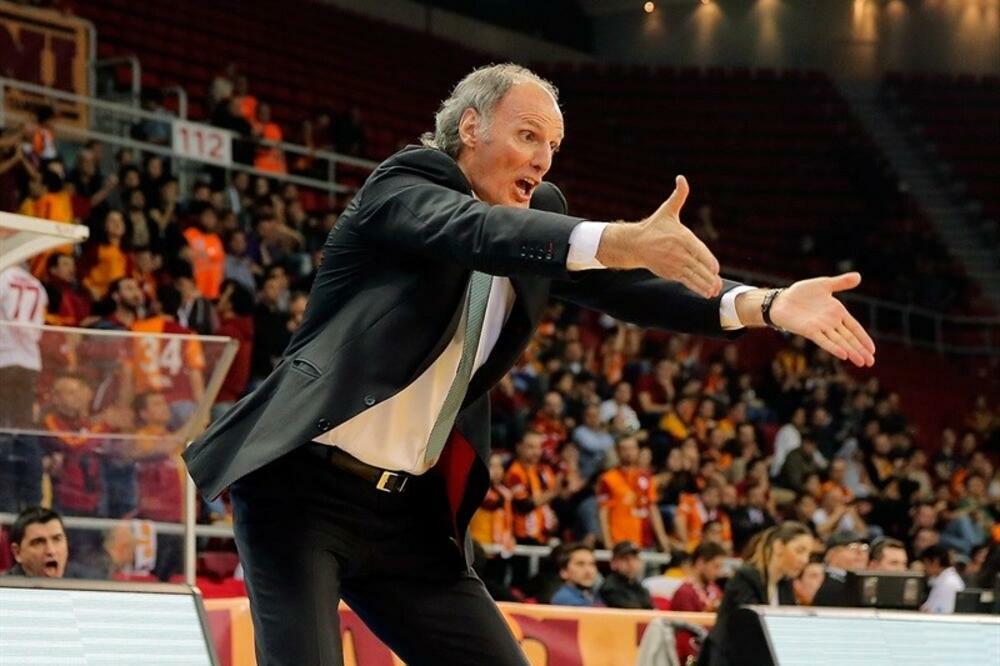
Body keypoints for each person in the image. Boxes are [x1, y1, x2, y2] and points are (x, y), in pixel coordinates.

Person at [182, 64, 875, 666]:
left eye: (553, 147)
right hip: (302, 490)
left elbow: (632, 289)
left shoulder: (538, 220)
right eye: (528, 136)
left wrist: (767, 305)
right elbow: (476, 232)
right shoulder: (405, 183)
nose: (544, 160)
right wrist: (620, 238)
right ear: (472, 127)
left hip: (405, 517)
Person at [700, 522, 812, 666]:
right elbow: (748, 630)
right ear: (779, 546)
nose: (805, 560)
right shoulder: (745, 577)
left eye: (808, 554)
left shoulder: (785, 585)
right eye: (799, 551)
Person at [0, 261, 47, 512]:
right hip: (29, 360)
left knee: (4, 429)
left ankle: (6, 499)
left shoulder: (2, 278)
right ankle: (33, 498)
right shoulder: (38, 286)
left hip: (4, 358)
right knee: (23, 427)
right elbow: (38, 329)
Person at [597, 436, 670, 551]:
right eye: (624, 449)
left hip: (645, 541)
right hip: (620, 542)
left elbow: (652, 509)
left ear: (637, 450)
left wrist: (662, 539)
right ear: (617, 451)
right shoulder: (608, 478)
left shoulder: (646, 477)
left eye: (632, 448)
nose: (628, 453)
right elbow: (603, 511)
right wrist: (607, 541)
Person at [6, 506, 68, 578]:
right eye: (38, 543)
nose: (51, 551)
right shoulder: (4, 584)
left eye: (57, 539)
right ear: (17, 553)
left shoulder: (76, 580)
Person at [812, 530, 869, 607]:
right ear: (831, 554)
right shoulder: (819, 579)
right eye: (853, 547)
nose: (860, 552)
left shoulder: (865, 584)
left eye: (864, 548)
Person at [599, 540, 654, 609]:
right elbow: (630, 610)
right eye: (625, 559)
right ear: (613, 563)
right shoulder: (609, 588)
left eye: (634, 558)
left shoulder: (638, 586)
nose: (631, 563)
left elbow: (650, 608)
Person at [549, 543, 601, 607]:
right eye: (580, 564)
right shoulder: (565, 600)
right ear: (564, 572)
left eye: (592, 564)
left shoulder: (592, 593)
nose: (589, 571)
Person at [919, 544, 965, 613]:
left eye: (926, 563)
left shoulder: (949, 583)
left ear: (935, 561)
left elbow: (939, 612)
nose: (924, 568)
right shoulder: (942, 579)